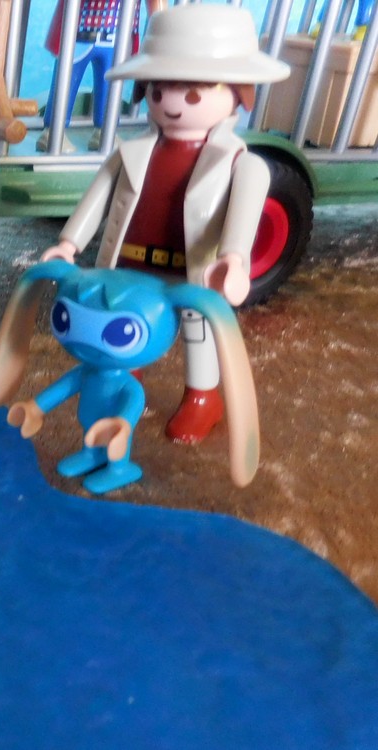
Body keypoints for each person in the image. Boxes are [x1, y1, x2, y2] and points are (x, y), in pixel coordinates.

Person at [41, 3, 289, 444]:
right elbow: (97, 199)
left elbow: (242, 220)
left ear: (239, 93)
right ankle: (124, 381)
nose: (171, 103)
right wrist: (69, 243)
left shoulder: (242, 163)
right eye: (159, 92)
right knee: (124, 323)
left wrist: (233, 260)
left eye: (193, 95)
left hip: (191, 269)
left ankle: (202, 398)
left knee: (198, 331)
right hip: (129, 267)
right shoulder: (131, 152)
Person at [38, 0, 165, 152]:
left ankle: (104, 131)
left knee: (110, 87)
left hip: (116, 38)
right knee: (67, 82)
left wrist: (161, 24)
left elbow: (157, 8)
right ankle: (52, 132)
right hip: (79, 35)